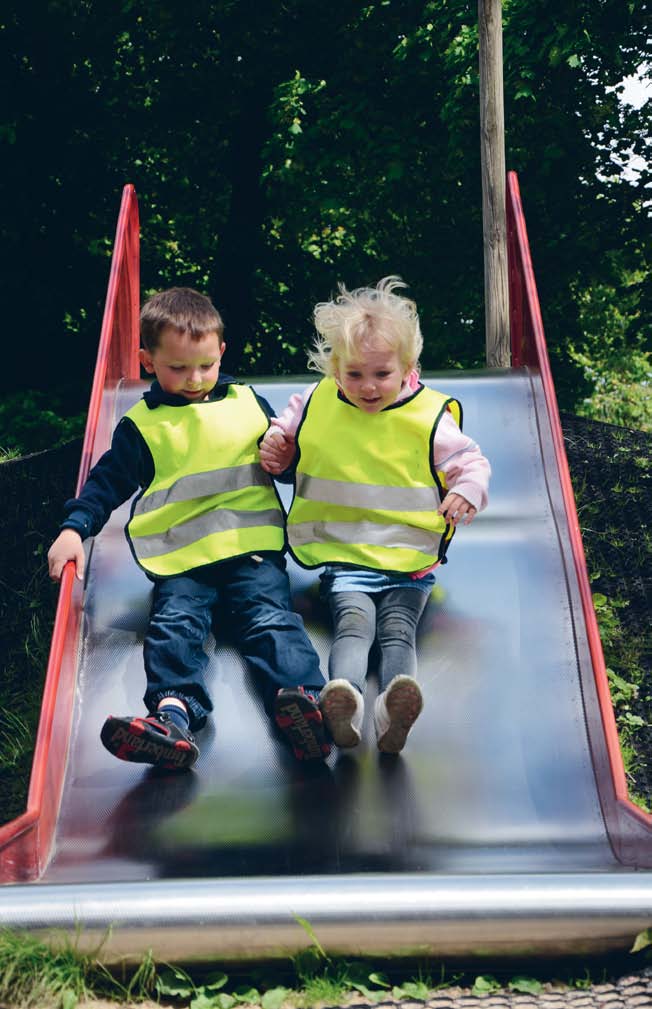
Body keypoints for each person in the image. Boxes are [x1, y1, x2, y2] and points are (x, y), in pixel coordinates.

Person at [48, 287, 330, 770]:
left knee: (271, 619)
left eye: (205, 365)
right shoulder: (143, 426)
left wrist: (285, 461)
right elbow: (106, 483)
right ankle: (172, 717)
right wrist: (75, 528)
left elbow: (282, 463)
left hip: (251, 551)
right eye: (178, 368)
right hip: (182, 561)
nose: (195, 379)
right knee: (174, 627)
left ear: (222, 351)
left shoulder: (247, 403)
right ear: (147, 361)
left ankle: (303, 703)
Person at [260, 276, 490, 754]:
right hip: (347, 558)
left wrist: (467, 490)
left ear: (409, 367)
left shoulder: (428, 417)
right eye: (354, 374)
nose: (367, 387)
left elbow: (472, 463)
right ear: (335, 368)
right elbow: (286, 430)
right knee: (353, 624)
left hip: (409, 560)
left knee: (397, 629)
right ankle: (341, 698)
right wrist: (277, 446)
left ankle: (391, 708)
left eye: (381, 375)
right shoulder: (318, 400)